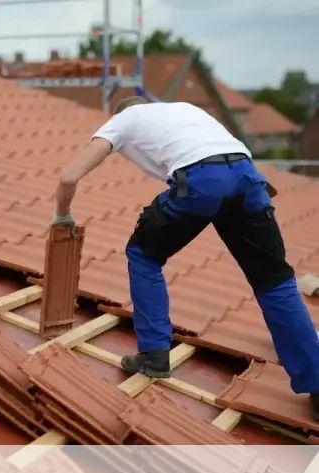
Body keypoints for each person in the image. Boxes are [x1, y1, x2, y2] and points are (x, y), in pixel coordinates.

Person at [53, 96, 319, 421]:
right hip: (249, 177)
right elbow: (225, 158)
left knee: (144, 254)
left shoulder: (124, 119)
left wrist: (62, 216)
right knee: (275, 282)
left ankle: (153, 355)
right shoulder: (185, 111)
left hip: (202, 181)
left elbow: (68, 177)